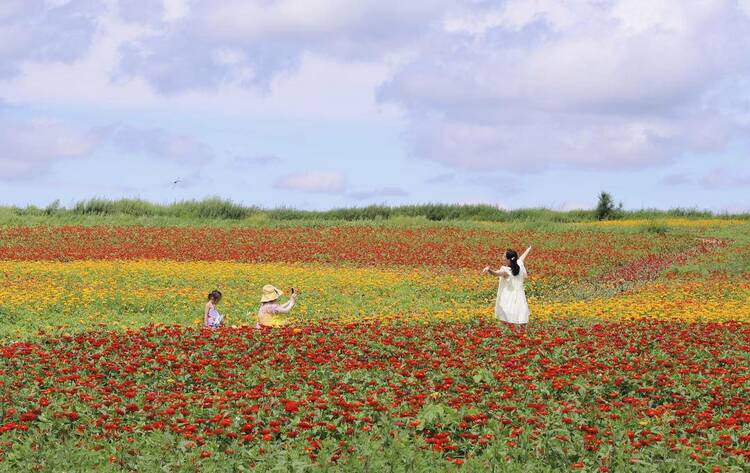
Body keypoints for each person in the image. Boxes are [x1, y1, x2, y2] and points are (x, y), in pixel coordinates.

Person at [483, 246, 532, 332]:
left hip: (510, 295)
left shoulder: (506, 271)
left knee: (506, 312)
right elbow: (522, 257)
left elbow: (496, 273)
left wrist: (489, 270)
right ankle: (522, 332)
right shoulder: (519, 265)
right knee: (521, 311)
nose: (502, 257)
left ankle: (509, 331)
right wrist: (528, 249)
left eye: (504, 256)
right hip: (520, 294)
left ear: (509, 259)